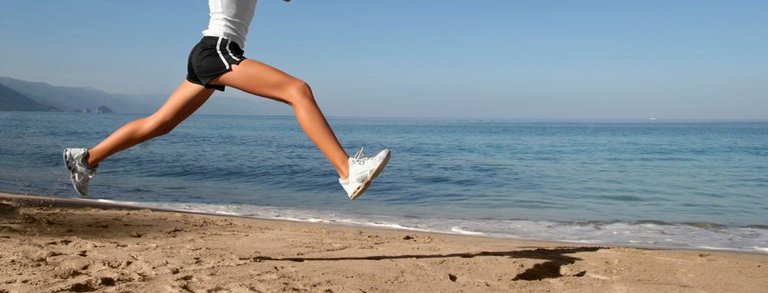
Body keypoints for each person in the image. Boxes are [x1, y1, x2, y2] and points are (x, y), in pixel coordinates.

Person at [63, 0, 390, 200]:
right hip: (217, 50)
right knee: (298, 90)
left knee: (159, 123)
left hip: (209, 53)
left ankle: (86, 159)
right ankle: (348, 171)